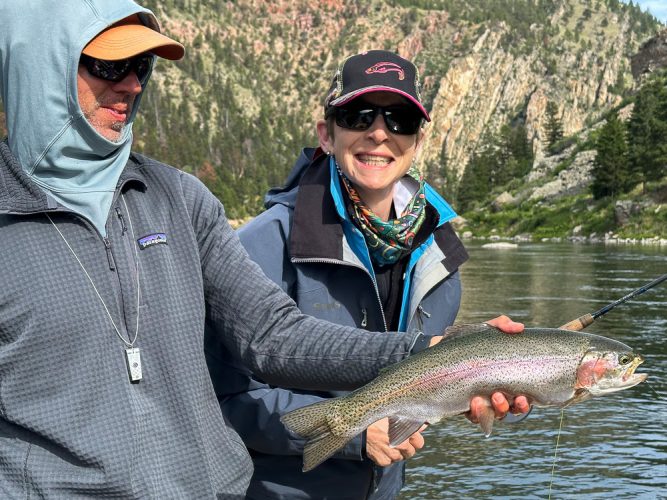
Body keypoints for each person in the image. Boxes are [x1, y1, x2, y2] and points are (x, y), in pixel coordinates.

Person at [0, 3, 525, 496]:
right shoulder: (264, 236)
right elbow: (232, 390)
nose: (134, 83)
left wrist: (427, 355)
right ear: (38, 64)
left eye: (140, 64)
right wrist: (349, 435)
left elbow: (273, 336)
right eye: (108, 65)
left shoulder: (182, 201)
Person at [209, 50, 529, 500]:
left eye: (400, 119)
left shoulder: (441, 256)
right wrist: (356, 435)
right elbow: (221, 400)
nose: (380, 133)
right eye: (359, 116)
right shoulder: (263, 244)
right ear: (327, 134)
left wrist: (476, 390)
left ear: (417, 141)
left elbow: (417, 386)